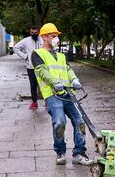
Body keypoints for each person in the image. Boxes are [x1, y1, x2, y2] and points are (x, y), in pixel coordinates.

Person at [31, 23, 92, 166]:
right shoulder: (37, 54)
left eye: (57, 36)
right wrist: (54, 82)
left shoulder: (61, 55)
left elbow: (68, 70)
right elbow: (41, 71)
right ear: (44, 37)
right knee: (60, 122)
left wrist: (74, 79)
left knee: (80, 121)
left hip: (68, 93)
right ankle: (60, 152)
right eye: (53, 36)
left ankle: (79, 153)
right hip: (52, 94)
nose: (56, 39)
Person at [13, 26, 43, 110]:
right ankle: (34, 103)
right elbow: (15, 48)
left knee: (44, 84)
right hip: (31, 67)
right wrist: (25, 56)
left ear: (38, 32)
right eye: (32, 33)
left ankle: (48, 103)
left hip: (42, 66)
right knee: (33, 85)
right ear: (30, 33)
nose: (34, 34)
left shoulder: (42, 40)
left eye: (36, 33)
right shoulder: (26, 41)